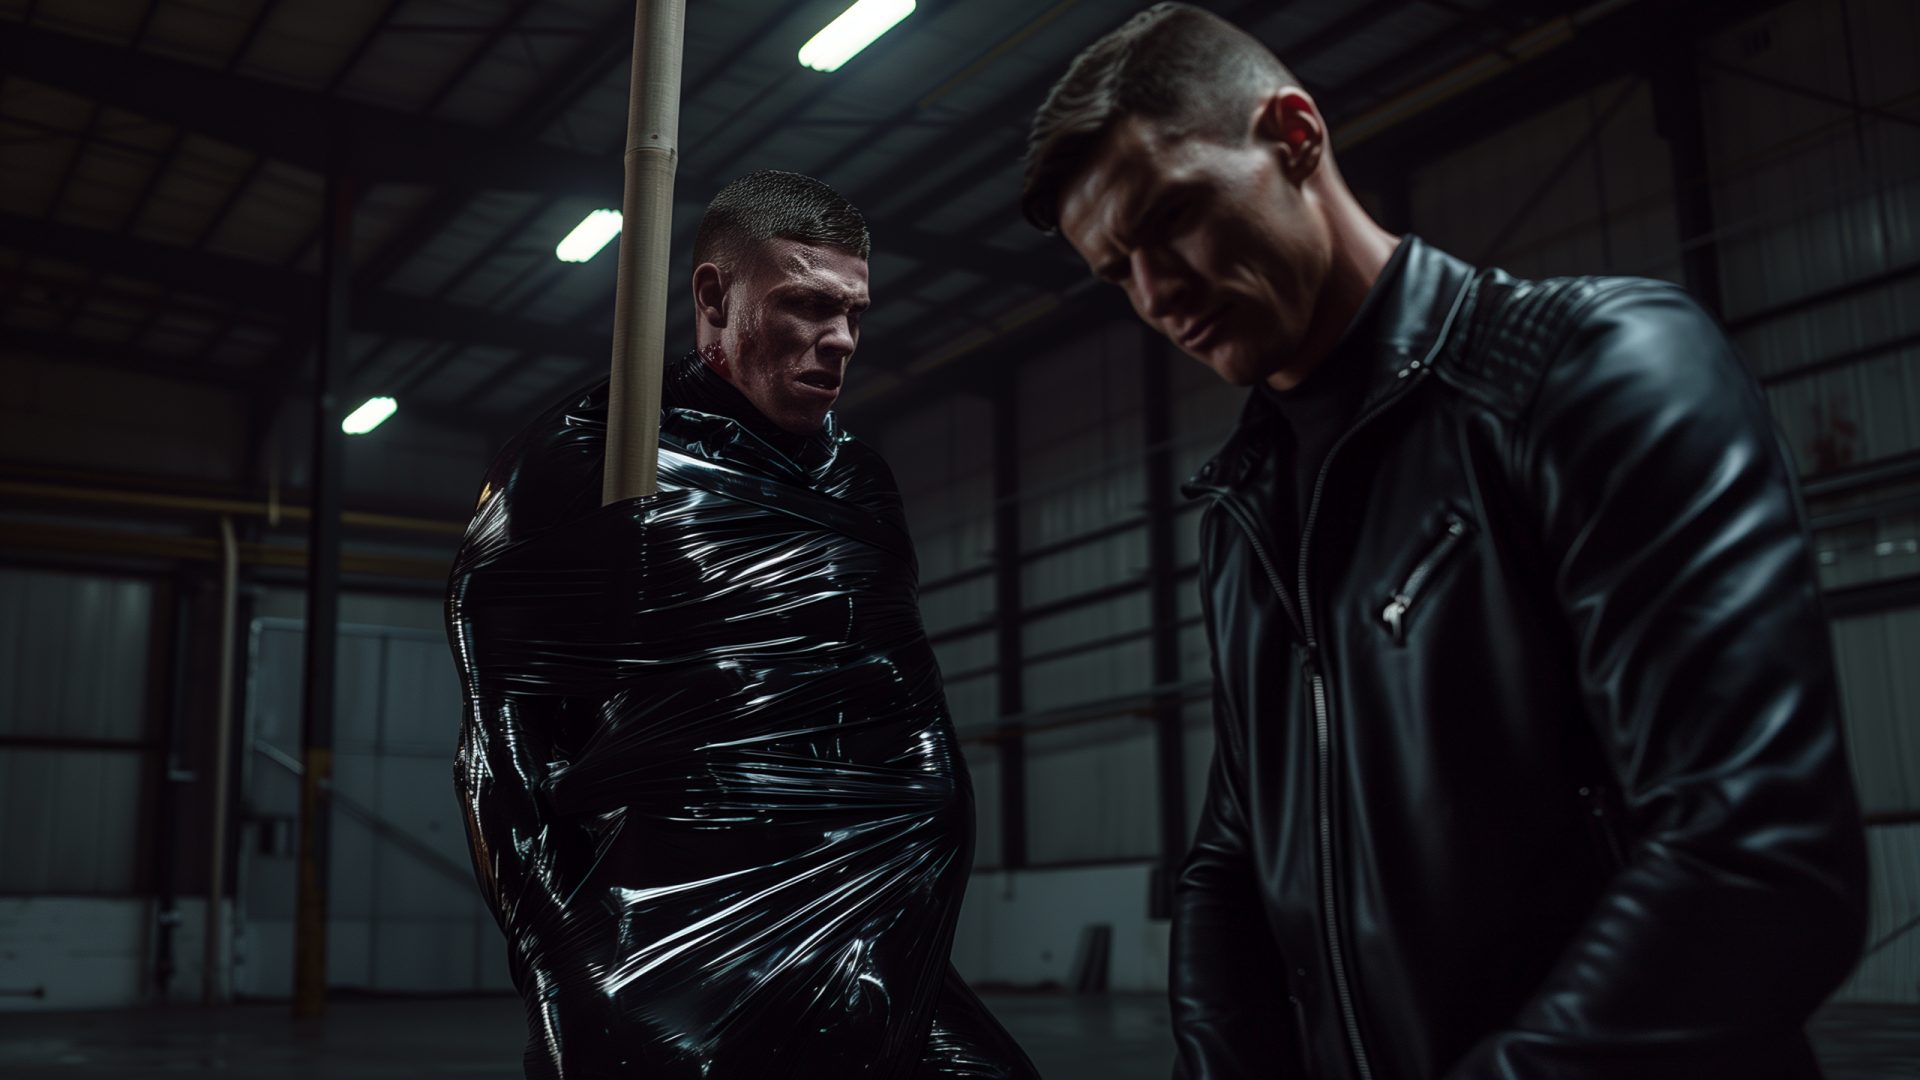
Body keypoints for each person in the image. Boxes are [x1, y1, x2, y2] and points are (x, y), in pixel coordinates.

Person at [1021, 6, 1868, 1078]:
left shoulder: (1590, 376)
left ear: (1294, 137)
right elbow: (1232, 867)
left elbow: (1758, 856)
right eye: (1117, 270)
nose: (1155, 293)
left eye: (1173, 217)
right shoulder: (1243, 515)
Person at [448, 170, 1037, 1080]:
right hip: (670, 956)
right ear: (715, 298)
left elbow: (895, 692)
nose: (841, 340)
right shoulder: (588, 462)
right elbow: (502, 747)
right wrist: (562, 963)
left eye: (855, 313)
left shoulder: (857, 482)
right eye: (807, 305)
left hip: (874, 939)